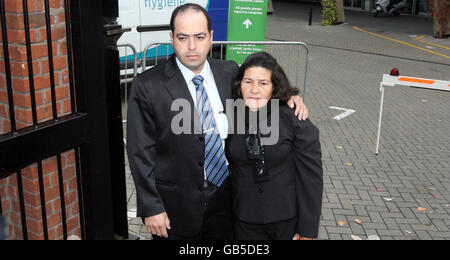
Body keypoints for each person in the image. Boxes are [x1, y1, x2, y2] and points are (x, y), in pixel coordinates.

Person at [127, 3, 308, 240]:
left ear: (211, 37)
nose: (192, 47)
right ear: (171, 38)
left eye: (199, 37)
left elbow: (261, 88)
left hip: (229, 201)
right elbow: (140, 152)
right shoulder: (148, 86)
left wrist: (288, 95)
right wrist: (152, 207)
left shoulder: (230, 72)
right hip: (175, 209)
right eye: (183, 37)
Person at [226, 52, 323, 240]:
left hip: (286, 221)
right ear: (239, 85)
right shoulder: (231, 115)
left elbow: (311, 178)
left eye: (263, 83)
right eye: (248, 82)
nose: (255, 90)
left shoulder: (294, 120)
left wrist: (307, 229)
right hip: (244, 219)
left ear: (274, 86)